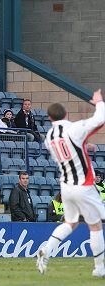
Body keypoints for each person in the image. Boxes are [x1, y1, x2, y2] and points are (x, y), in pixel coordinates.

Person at [36, 89, 105, 277]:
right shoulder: (73, 128)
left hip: (66, 185)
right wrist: (99, 101)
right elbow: (100, 119)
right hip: (83, 184)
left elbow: (68, 150)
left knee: (71, 222)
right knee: (96, 225)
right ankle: (99, 269)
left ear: (50, 119)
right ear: (66, 114)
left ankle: (47, 249)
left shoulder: (49, 137)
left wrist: (84, 145)